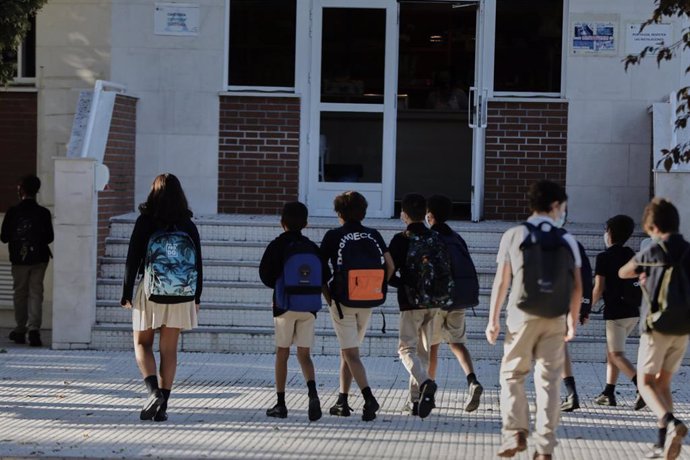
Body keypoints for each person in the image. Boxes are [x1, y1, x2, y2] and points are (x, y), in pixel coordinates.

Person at [486, 180, 582, 459]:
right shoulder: (567, 240)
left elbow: (502, 281)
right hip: (555, 317)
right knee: (548, 381)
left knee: (512, 375)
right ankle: (545, 447)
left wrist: (493, 319)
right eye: (562, 207)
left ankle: (514, 431)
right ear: (555, 206)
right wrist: (572, 320)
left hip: (520, 316)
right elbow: (577, 286)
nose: (563, 212)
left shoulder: (514, 235)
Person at [120, 173, 203, 422]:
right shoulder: (188, 225)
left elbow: (132, 258)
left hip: (151, 290)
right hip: (181, 293)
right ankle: (163, 407)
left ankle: (153, 392)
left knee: (142, 344)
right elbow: (198, 263)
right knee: (169, 350)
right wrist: (196, 296)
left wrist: (126, 293)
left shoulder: (145, 221)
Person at [619, 198, 690, 460]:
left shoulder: (654, 250)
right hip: (683, 328)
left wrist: (642, 273)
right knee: (663, 383)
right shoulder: (687, 249)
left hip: (656, 327)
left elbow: (622, 272)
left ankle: (672, 423)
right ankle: (663, 443)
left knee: (645, 382)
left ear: (653, 226)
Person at [320, 191, 394, 421]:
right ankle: (342, 400)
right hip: (368, 299)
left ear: (339, 213)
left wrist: (328, 296)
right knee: (349, 351)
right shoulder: (373, 234)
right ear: (363, 212)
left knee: (350, 353)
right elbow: (390, 265)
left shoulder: (333, 235)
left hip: (342, 301)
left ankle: (368, 398)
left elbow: (320, 268)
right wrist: (379, 286)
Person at [259, 202, 327, 421]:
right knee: (304, 354)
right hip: (308, 307)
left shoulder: (278, 245)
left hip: (284, 305)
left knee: (282, 353)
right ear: (306, 224)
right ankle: (313, 393)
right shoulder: (311, 246)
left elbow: (265, 274)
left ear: (282, 222)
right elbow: (325, 274)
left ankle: (281, 403)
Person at [389, 193, 446, 419]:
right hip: (433, 300)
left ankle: (425, 383)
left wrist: (399, 284)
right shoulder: (435, 237)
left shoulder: (400, 239)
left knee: (405, 349)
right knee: (423, 351)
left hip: (410, 301)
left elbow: (389, 270)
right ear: (424, 214)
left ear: (403, 214)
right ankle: (416, 401)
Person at [425, 194, 483, 413]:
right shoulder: (457, 237)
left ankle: (427, 391)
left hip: (437, 300)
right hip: (459, 298)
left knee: (432, 347)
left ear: (429, 216)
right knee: (457, 343)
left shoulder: (430, 238)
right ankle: (472, 380)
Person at [592, 214, 644, 410]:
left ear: (610, 233)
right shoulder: (631, 253)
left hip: (615, 314)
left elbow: (598, 288)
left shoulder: (603, 257)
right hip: (633, 311)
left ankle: (642, 387)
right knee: (612, 351)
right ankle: (608, 392)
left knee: (616, 354)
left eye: (606, 230)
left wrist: (585, 308)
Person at [1, 175, 53, 347]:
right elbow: (49, 237)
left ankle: (20, 329)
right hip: (39, 259)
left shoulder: (13, 212)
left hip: (18, 260)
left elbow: (4, 237)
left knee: (20, 294)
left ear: (21, 189)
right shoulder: (43, 213)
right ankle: (34, 330)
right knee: (36, 293)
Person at [561, 233, 592, 412]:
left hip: (542, 303)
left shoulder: (533, 238)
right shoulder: (574, 244)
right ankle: (571, 393)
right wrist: (584, 307)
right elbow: (585, 277)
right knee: (560, 346)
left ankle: (569, 394)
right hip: (568, 301)